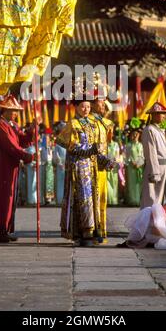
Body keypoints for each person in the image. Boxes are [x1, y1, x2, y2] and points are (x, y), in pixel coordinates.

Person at [58, 98, 115, 246]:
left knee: (93, 198)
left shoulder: (92, 124)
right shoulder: (72, 124)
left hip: (92, 166)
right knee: (83, 197)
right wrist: (89, 151)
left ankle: (94, 230)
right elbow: (70, 146)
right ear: (76, 107)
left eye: (88, 107)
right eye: (83, 106)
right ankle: (83, 232)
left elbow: (95, 148)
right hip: (78, 167)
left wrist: (105, 160)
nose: (86, 109)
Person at [0, 95, 34, 243]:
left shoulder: (12, 125)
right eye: (13, 110)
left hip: (11, 166)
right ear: (5, 110)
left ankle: (5, 228)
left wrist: (32, 131)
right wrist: (29, 157)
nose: (16, 114)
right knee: (1, 197)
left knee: (10, 197)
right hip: (2, 166)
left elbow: (22, 141)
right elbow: (11, 146)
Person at [90, 98, 114, 241]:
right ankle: (92, 230)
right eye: (100, 102)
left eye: (104, 103)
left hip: (102, 166)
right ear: (92, 104)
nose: (103, 105)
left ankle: (102, 230)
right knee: (92, 198)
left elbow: (107, 144)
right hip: (91, 165)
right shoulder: (88, 122)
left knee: (103, 198)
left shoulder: (106, 123)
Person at [140, 102, 166, 209]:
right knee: (151, 198)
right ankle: (149, 223)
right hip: (155, 167)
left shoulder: (160, 130)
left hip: (163, 166)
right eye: (162, 113)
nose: (164, 116)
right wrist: (155, 172)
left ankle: (157, 222)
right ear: (155, 114)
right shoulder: (149, 130)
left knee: (160, 198)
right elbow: (150, 152)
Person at [125, 128, 144, 206]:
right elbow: (126, 156)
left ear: (139, 135)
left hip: (139, 166)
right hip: (131, 167)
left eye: (137, 134)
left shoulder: (141, 145)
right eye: (133, 134)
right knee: (132, 183)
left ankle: (139, 200)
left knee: (138, 183)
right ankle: (132, 200)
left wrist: (139, 164)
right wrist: (131, 162)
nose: (135, 135)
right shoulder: (129, 145)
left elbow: (143, 156)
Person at [52, 121, 67, 205]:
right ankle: (60, 200)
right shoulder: (57, 142)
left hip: (67, 164)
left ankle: (66, 200)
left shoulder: (68, 141)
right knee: (60, 183)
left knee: (67, 183)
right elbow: (56, 154)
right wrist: (60, 163)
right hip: (61, 165)